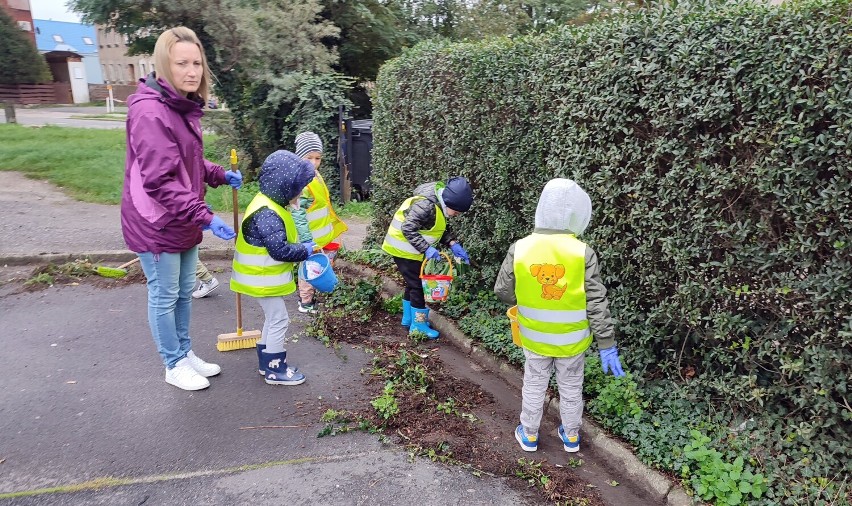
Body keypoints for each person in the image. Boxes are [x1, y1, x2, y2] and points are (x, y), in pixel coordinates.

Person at [121, 27, 242, 391]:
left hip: (181, 217)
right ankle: (173, 364)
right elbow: (160, 181)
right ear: (163, 64)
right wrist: (205, 216)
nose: (192, 72)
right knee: (164, 293)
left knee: (185, 287)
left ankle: (185, 353)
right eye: (182, 64)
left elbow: (188, 162)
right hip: (156, 221)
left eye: (197, 64)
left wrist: (220, 174)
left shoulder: (181, 107)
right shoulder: (150, 112)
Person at [493, 178, 625, 454]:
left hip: (534, 337)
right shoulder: (582, 252)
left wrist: (527, 297)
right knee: (571, 386)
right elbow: (596, 301)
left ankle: (529, 435)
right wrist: (606, 344)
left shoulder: (521, 247)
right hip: (573, 342)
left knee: (534, 383)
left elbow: (503, 291)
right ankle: (572, 436)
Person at [230, 150, 316, 386]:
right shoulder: (268, 213)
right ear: (284, 187)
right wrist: (306, 250)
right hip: (261, 278)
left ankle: (265, 363)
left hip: (259, 278)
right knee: (280, 320)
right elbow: (279, 251)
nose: (300, 192)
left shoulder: (268, 203)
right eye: (297, 188)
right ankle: (275, 370)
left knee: (272, 318)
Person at [381, 176, 474, 339]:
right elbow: (408, 227)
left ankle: (408, 319)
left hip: (410, 251)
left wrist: (452, 243)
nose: (457, 215)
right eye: (457, 212)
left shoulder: (439, 204)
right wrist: (426, 249)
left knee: (412, 285)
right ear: (450, 202)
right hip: (403, 250)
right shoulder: (426, 205)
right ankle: (418, 326)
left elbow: (436, 228)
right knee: (417, 286)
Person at [291, 131, 348, 314]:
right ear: (300, 157)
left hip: (321, 235)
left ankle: (315, 295)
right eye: (309, 158)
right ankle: (305, 302)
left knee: (319, 266)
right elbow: (298, 214)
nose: (314, 162)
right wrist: (307, 241)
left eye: (318, 158)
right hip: (310, 238)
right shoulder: (302, 184)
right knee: (309, 268)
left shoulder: (316, 176)